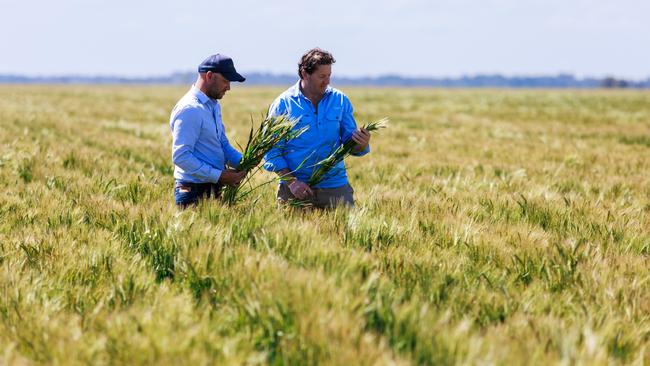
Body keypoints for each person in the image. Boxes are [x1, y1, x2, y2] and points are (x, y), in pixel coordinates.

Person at [263, 48, 371, 208]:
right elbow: (271, 151)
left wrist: (361, 143)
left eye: (329, 76)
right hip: (294, 190)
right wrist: (292, 182)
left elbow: (351, 144)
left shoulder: (340, 100)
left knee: (344, 232)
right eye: (322, 76)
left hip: (335, 187)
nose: (327, 81)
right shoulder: (283, 104)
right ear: (305, 74)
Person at [169, 53, 247, 208]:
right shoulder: (190, 109)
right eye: (226, 80)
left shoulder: (214, 105)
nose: (229, 87)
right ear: (210, 76)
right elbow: (181, 156)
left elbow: (221, 144)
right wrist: (219, 176)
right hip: (192, 191)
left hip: (212, 187)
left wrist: (245, 161)